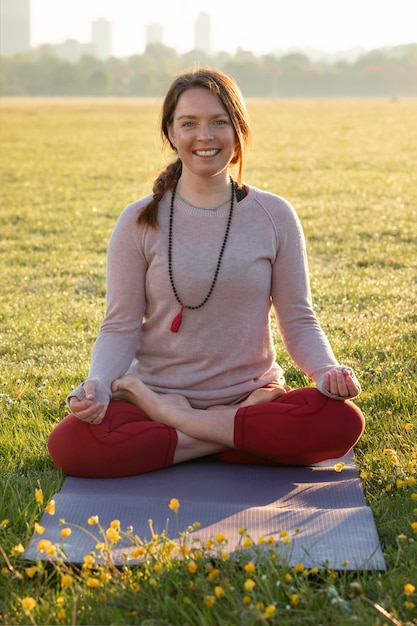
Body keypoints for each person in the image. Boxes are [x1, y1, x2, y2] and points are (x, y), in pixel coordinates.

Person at [48, 67, 365, 478]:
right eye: (189, 123)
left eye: (219, 121)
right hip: (155, 398)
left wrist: (327, 372)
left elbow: (299, 318)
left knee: (342, 420)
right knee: (70, 444)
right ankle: (235, 439)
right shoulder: (138, 221)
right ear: (170, 133)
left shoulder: (275, 215)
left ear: (239, 131)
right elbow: (120, 324)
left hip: (247, 396)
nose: (205, 136)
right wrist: (99, 383)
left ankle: (185, 434)